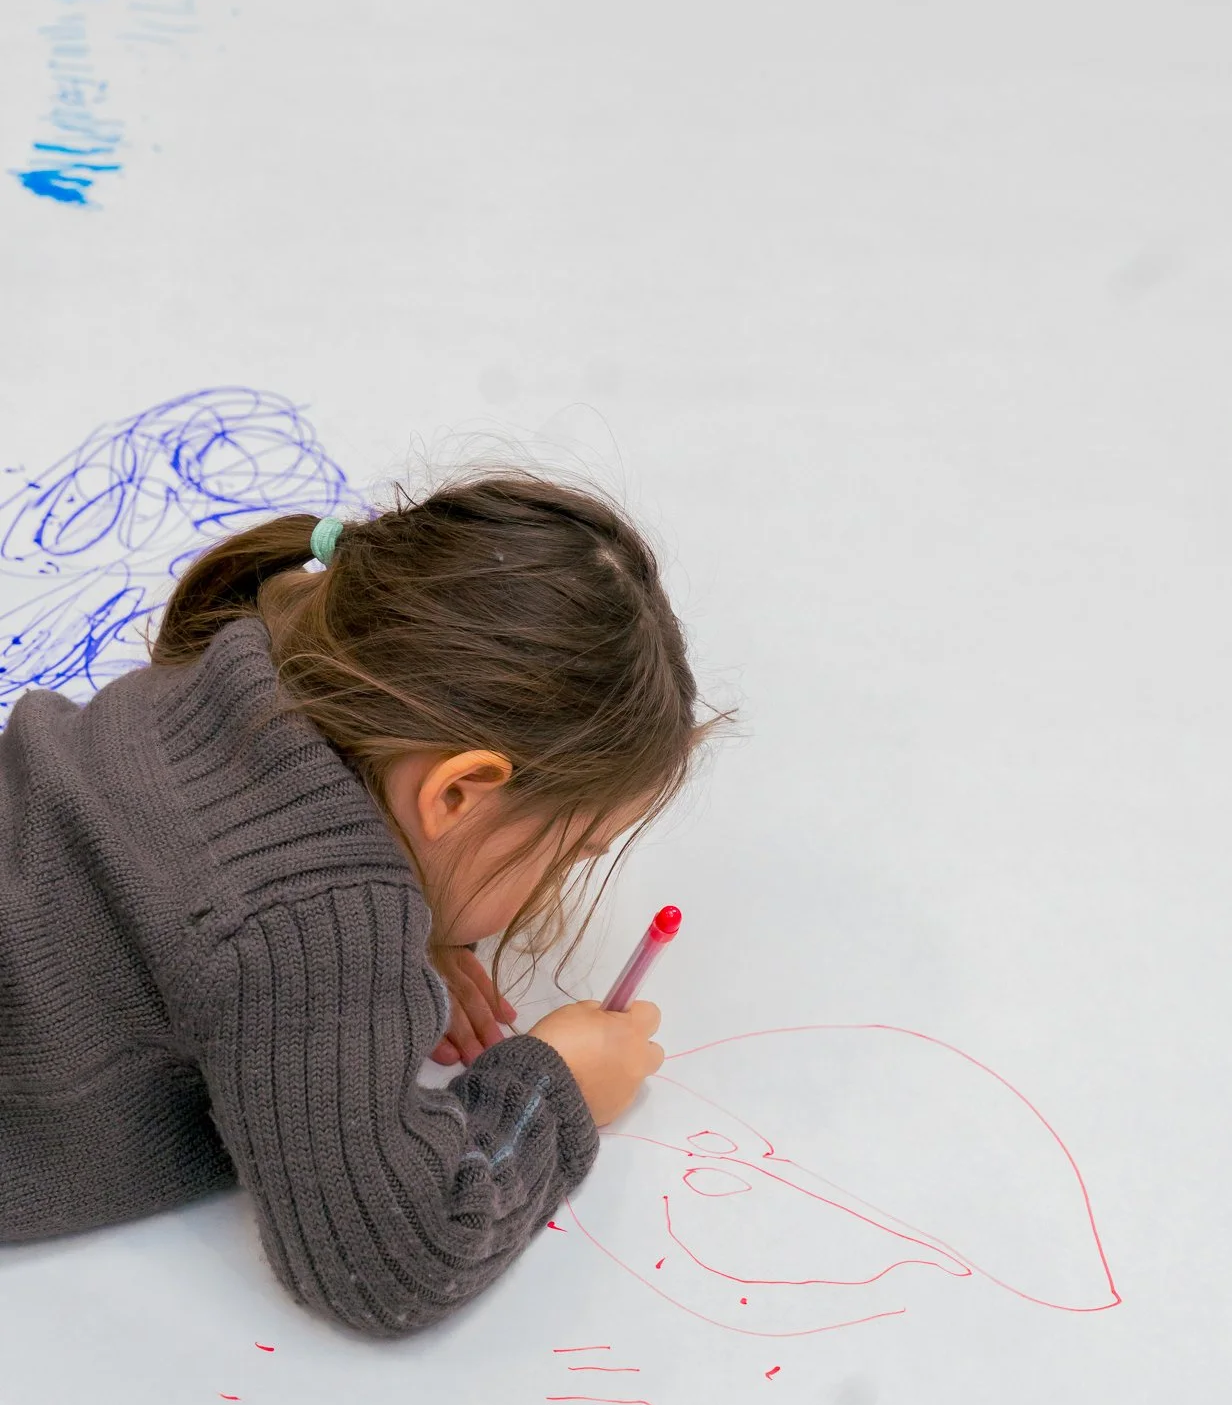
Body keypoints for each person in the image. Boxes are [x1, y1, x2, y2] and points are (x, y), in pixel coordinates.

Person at [0, 474, 711, 1337]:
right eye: (569, 855)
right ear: (456, 796)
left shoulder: (242, 655)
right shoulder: (308, 925)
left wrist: (417, 911)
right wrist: (555, 1087)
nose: (557, 888)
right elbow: (395, 1260)